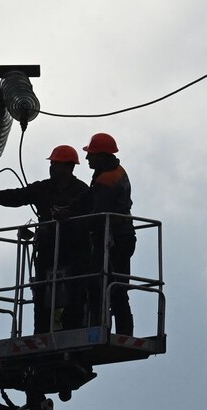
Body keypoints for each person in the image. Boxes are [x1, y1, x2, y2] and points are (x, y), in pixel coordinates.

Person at [0, 145, 89, 333]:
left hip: (74, 250)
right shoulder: (43, 188)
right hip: (47, 249)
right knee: (42, 292)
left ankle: (73, 328)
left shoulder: (82, 192)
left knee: (74, 291)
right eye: (51, 164)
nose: (51, 168)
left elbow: (91, 216)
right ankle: (41, 332)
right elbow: (17, 196)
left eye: (55, 164)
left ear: (68, 167)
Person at [81, 133, 136, 336]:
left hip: (113, 240)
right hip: (123, 236)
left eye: (91, 154)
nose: (87, 158)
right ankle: (124, 332)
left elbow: (98, 213)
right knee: (117, 287)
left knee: (99, 284)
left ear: (102, 155)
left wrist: (77, 224)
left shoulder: (106, 179)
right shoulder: (116, 172)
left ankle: (97, 327)